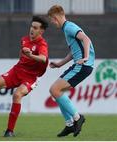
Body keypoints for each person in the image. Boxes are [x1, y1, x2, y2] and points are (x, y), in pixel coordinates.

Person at [47, 5, 95, 137]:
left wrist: (85, 57)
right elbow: (74, 51)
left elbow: (86, 39)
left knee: (54, 90)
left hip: (83, 65)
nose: (52, 22)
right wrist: (60, 64)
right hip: (81, 65)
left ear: (55, 17)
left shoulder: (69, 27)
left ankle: (77, 118)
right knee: (57, 91)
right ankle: (69, 125)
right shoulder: (67, 28)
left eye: (51, 19)